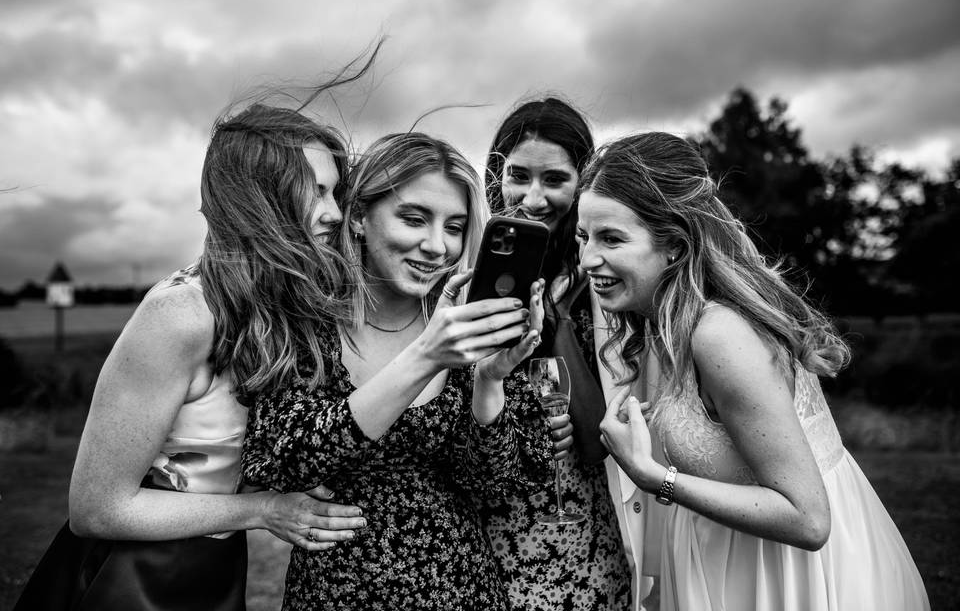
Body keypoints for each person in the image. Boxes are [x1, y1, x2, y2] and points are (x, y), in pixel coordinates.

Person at [13, 90, 370, 611]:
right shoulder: (180, 314)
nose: (335, 213)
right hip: (133, 580)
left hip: (213, 570)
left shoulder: (268, 312)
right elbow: (96, 509)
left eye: (336, 193)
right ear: (261, 198)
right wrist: (264, 509)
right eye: (315, 191)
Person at [581, 131, 931, 611]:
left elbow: (808, 520)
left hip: (779, 578)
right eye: (583, 237)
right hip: (727, 558)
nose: (587, 260)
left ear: (675, 247)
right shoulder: (674, 320)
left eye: (610, 239)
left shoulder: (719, 332)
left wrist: (652, 475)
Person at [241, 132, 553, 610]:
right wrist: (425, 357)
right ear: (361, 217)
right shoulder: (308, 328)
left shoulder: (467, 325)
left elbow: (496, 487)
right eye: (414, 219)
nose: (436, 246)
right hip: (338, 593)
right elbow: (284, 462)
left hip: (462, 590)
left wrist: (489, 381)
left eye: (454, 227)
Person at [481, 97, 635, 610]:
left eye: (555, 179)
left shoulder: (602, 273)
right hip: (484, 513)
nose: (532, 198)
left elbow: (597, 440)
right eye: (518, 176)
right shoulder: (466, 268)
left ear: (582, 183)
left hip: (576, 514)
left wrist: (558, 313)